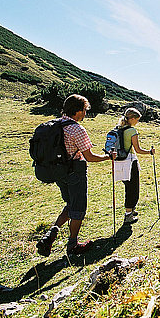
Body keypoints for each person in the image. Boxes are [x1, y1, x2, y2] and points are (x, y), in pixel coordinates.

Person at [36, 94, 113, 256]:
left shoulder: (55, 125)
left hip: (58, 172)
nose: (85, 113)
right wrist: (108, 157)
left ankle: (52, 233)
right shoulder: (77, 129)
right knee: (78, 207)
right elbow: (90, 157)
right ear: (78, 111)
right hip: (75, 171)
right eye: (84, 110)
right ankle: (73, 244)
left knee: (70, 203)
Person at [113, 108, 155, 224]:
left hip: (118, 161)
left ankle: (130, 210)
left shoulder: (118, 129)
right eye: (137, 119)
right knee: (133, 188)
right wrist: (150, 152)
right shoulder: (132, 131)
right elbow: (138, 149)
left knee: (128, 187)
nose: (137, 122)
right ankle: (128, 214)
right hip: (130, 161)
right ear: (132, 119)